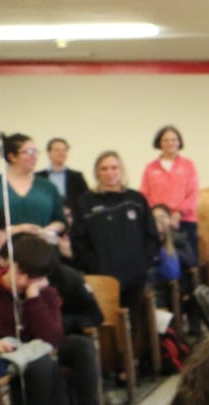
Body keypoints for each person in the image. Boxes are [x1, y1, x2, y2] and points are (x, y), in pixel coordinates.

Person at [0, 235, 105, 405]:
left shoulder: (45, 293)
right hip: (4, 354)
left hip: (38, 351)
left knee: (80, 346)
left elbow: (52, 340)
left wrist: (34, 298)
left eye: (32, 278)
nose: (23, 281)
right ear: (9, 264)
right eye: (21, 273)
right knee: (42, 366)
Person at [71, 151, 161, 357]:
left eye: (114, 168)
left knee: (134, 321)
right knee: (107, 322)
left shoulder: (136, 199)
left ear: (121, 171)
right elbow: (79, 240)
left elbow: (151, 235)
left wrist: (144, 262)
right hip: (103, 276)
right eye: (104, 168)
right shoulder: (86, 202)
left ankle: (133, 363)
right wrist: (91, 266)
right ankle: (113, 362)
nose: (110, 173)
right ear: (97, 173)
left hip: (135, 274)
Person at [137, 126, 199, 275]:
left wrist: (178, 213)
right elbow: (144, 194)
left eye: (173, 140)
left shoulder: (188, 165)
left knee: (188, 261)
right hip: (159, 223)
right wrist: (159, 217)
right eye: (166, 140)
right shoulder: (150, 168)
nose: (170, 143)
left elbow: (193, 193)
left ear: (179, 143)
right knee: (163, 262)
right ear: (160, 143)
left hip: (185, 220)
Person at [0, 134, 65, 236]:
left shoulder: (47, 186)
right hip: (3, 248)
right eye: (29, 152)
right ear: (12, 156)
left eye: (36, 152)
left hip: (42, 247)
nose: (34, 156)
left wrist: (47, 230)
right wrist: (14, 230)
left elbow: (61, 221)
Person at [36, 136, 89, 203]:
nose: (61, 153)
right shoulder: (37, 177)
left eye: (64, 150)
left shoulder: (77, 176)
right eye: (57, 150)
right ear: (49, 153)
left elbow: (86, 200)